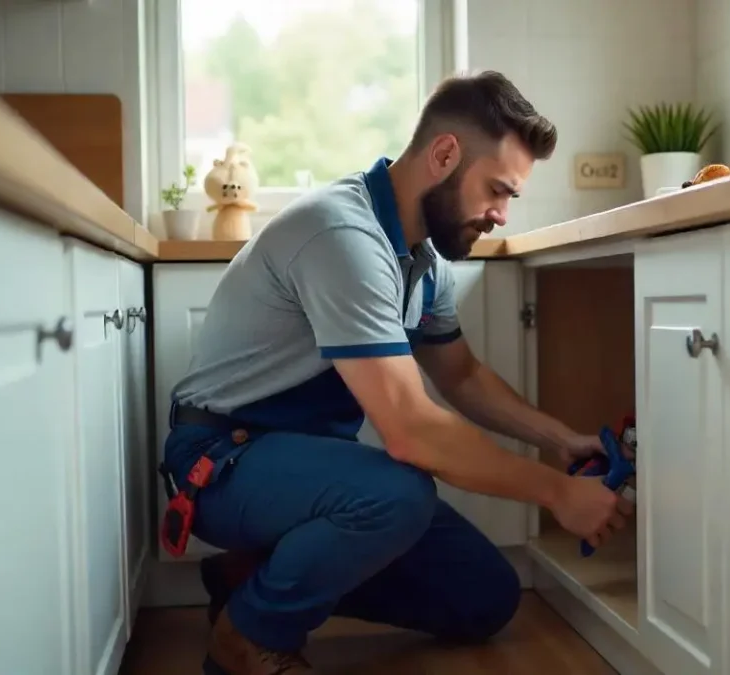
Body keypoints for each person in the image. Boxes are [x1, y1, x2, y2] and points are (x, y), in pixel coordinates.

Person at [162, 69, 633, 675]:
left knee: (485, 596)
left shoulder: (421, 260)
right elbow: (411, 431)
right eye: (497, 190)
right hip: (222, 460)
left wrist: (560, 441)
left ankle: (253, 574)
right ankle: (249, 633)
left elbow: (460, 376)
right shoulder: (343, 235)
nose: (500, 214)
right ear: (444, 155)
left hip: (301, 467)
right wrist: (558, 493)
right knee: (400, 491)